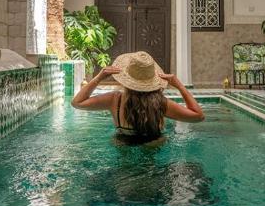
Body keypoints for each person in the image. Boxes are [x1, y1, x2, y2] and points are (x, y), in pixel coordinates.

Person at [71, 51, 204, 142]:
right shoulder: (161, 104)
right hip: (154, 153)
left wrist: (98, 78)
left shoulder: (114, 100)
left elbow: (77, 102)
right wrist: (179, 86)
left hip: (124, 150)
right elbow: (198, 116)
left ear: (126, 79)